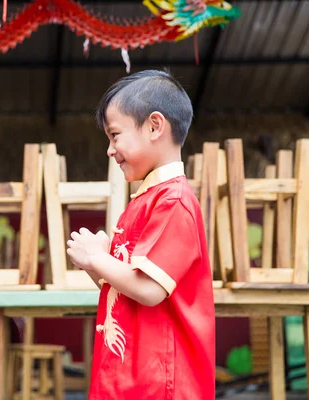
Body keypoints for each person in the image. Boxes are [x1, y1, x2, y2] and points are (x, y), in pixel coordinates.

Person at [66, 70, 215, 399]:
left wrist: (97, 257)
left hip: (159, 384)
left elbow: (148, 290)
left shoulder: (174, 201)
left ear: (154, 126)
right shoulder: (146, 200)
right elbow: (125, 289)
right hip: (130, 377)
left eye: (115, 135)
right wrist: (97, 266)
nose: (109, 149)